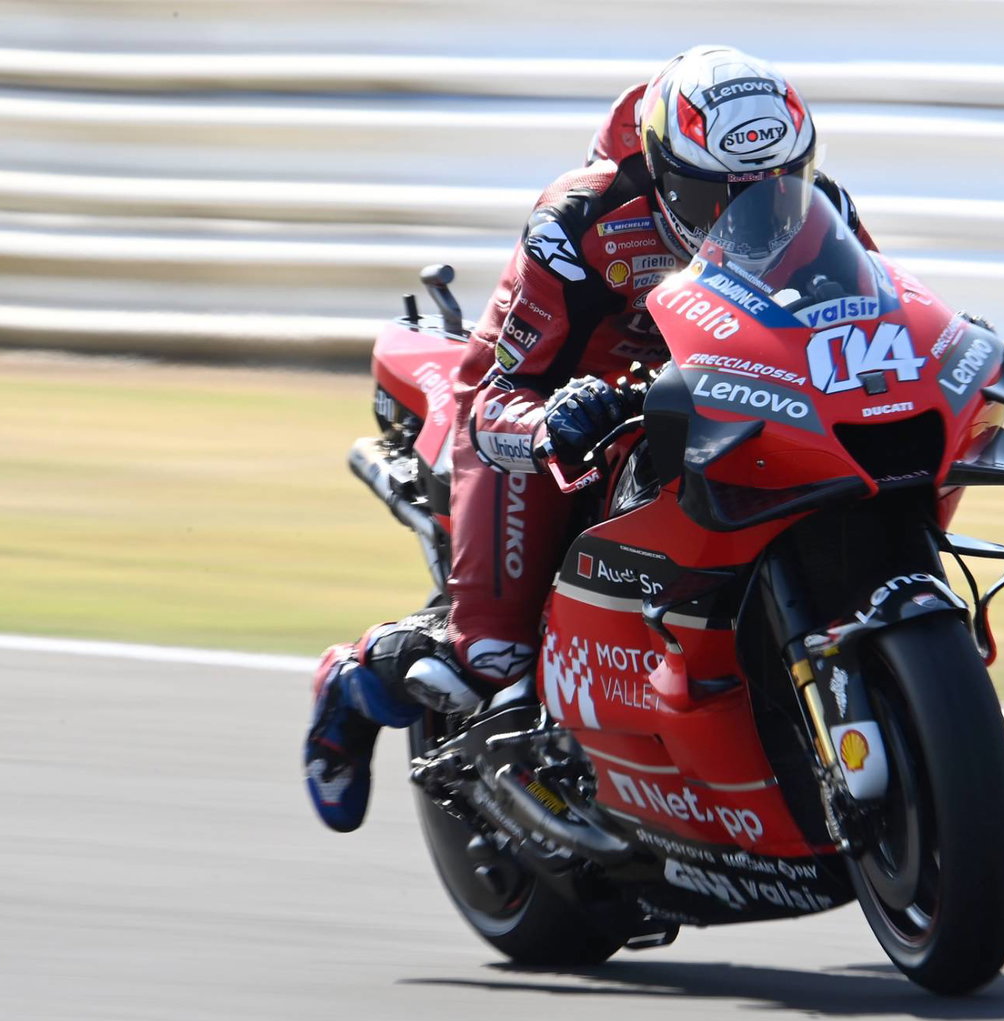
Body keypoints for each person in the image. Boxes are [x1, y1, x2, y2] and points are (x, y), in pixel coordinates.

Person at [303, 45, 878, 832]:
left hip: (719, 398)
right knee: (490, 660)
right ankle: (355, 677)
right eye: (717, 197)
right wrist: (551, 423)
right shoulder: (580, 223)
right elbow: (497, 399)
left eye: (775, 191)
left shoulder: (821, 210)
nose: (752, 217)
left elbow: (870, 320)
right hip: (558, 409)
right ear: (663, 172)